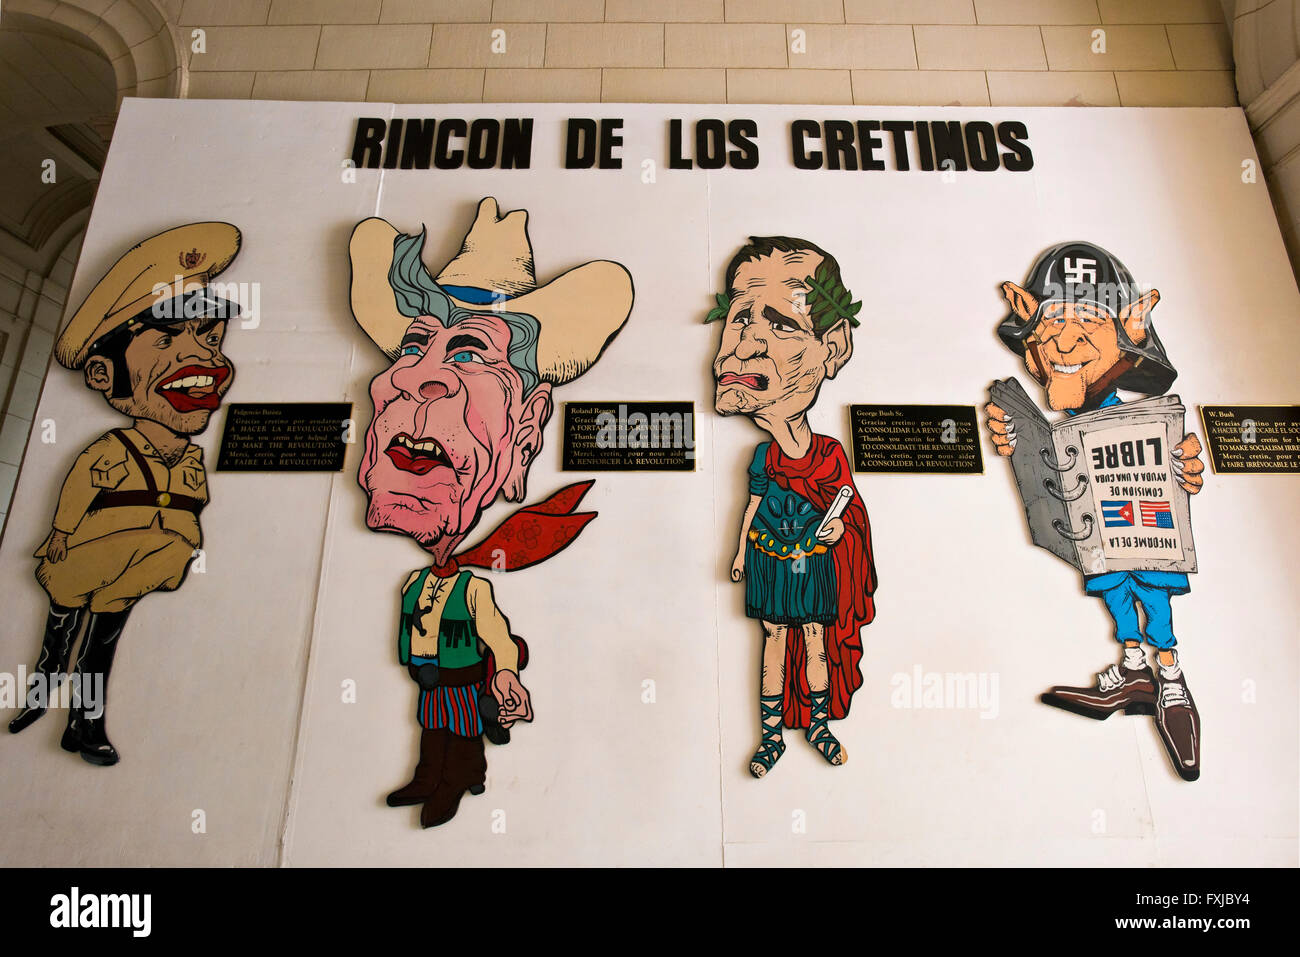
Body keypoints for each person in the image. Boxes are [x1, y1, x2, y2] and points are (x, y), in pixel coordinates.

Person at [349, 198, 633, 827]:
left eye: (470, 355)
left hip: (462, 679)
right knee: (434, 727)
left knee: (458, 728)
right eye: (414, 347)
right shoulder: (424, 580)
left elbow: (499, 636)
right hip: (430, 679)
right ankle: (435, 775)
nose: (424, 378)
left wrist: (506, 676)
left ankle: (457, 780)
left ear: (527, 424)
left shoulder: (471, 585)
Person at [8, 223, 242, 765]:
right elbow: (79, 487)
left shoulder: (189, 456)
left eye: (209, 337)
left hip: (139, 566)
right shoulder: (111, 448)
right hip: (85, 558)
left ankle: (84, 726)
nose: (203, 357)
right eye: (167, 338)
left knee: (99, 651)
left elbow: (194, 504)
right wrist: (61, 534)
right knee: (61, 633)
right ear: (102, 372)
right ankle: (42, 695)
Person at [984, 241, 1205, 781]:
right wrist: (1017, 440)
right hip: (1088, 510)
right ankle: (1134, 668)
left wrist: (1183, 471)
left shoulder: (1143, 419)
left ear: (1130, 338)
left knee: (1150, 574)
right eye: (1053, 322)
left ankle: (1170, 675)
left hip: (1140, 508)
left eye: (1087, 323)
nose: (1063, 341)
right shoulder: (1057, 423)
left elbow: (1176, 470)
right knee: (1106, 576)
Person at [708, 236, 877, 778]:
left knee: (815, 641)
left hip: (813, 564)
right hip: (768, 559)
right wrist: (738, 555)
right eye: (738, 319)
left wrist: (836, 538)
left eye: (780, 325)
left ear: (834, 347)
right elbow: (753, 508)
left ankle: (821, 726)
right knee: (774, 642)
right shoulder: (761, 456)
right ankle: (771, 735)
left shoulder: (829, 454)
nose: (742, 346)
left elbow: (851, 520)